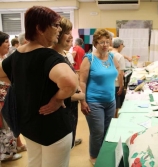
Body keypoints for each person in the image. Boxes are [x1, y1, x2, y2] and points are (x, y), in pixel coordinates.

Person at [0, 6, 78, 167]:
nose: (59, 30)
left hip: (29, 125)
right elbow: (70, 84)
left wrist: (23, 84)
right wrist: (57, 99)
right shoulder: (48, 56)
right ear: (40, 28)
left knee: (34, 162)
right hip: (53, 128)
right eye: (55, 25)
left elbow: (2, 74)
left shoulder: (17, 54)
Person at [79, 28, 119, 165]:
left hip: (110, 101)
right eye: (102, 42)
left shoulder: (112, 57)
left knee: (108, 130)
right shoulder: (89, 58)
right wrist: (82, 102)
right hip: (94, 101)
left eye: (107, 42)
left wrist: (120, 83)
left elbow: (117, 71)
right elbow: (82, 81)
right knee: (98, 131)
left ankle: (103, 153)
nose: (105, 45)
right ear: (95, 43)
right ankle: (94, 156)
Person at [51, 17, 83, 147]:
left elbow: (75, 79)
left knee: (68, 144)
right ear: (57, 33)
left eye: (71, 33)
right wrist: (79, 96)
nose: (71, 37)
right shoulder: (51, 57)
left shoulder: (65, 55)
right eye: (66, 33)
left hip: (71, 109)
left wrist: (82, 99)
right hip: (60, 111)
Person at [0, 31, 22, 162]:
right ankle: (6, 154)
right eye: (6, 42)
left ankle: (9, 152)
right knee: (4, 127)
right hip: (2, 99)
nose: (8, 45)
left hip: (8, 96)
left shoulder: (4, 59)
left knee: (8, 125)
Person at [111, 37, 126, 118]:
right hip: (116, 84)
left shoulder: (108, 54)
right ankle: (113, 124)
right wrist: (121, 86)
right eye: (123, 46)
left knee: (110, 106)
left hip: (108, 84)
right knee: (115, 107)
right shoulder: (119, 56)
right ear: (120, 45)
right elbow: (120, 73)